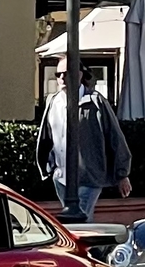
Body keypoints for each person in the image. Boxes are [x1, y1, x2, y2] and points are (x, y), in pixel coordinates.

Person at [41, 67, 133, 219]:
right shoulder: (54, 101)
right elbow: (47, 136)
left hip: (89, 176)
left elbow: (114, 135)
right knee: (74, 220)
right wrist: (49, 166)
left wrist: (122, 174)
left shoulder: (95, 101)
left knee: (79, 219)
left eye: (66, 73)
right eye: (58, 74)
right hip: (61, 176)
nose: (62, 77)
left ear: (79, 74)